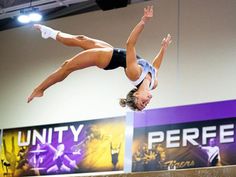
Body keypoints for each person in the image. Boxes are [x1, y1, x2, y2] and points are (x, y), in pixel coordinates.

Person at [27, 6, 172, 111]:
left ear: (136, 94)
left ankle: (39, 89)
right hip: (113, 51)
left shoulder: (134, 74)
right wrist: (163, 48)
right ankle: (50, 33)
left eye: (142, 104)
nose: (146, 103)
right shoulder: (154, 83)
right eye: (144, 105)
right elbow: (155, 67)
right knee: (81, 39)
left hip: (106, 58)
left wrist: (143, 22)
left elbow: (130, 44)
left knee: (67, 66)